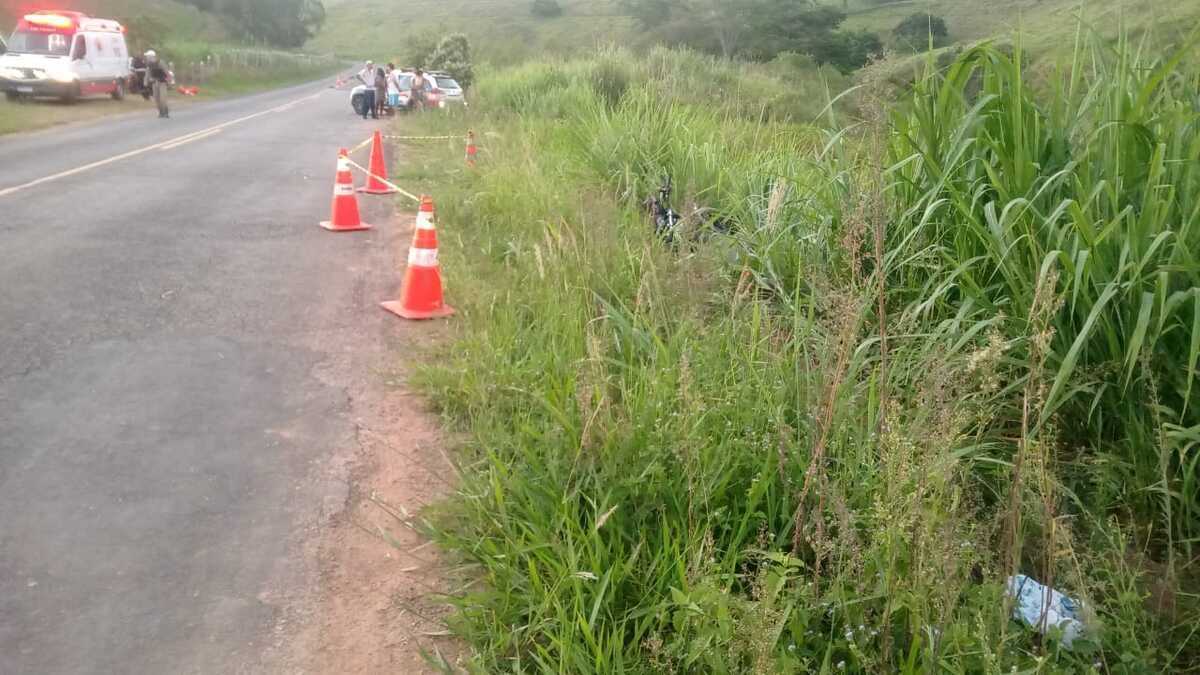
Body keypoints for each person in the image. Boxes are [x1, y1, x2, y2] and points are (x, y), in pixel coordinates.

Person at [144, 50, 170, 118]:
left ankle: (165, 112)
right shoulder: (149, 64)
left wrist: (170, 81)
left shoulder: (160, 63)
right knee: (156, 99)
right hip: (154, 83)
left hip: (162, 83)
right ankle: (161, 112)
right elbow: (147, 74)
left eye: (147, 56)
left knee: (163, 98)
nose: (146, 58)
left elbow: (166, 72)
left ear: (151, 56)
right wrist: (146, 82)